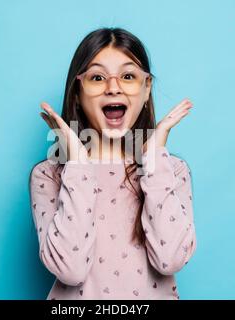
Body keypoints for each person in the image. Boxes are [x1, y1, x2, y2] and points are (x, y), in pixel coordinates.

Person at [29, 27, 196, 299]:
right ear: (77, 93)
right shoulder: (49, 175)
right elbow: (70, 270)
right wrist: (79, 165)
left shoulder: (171, 171)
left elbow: (170, 260)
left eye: (128, 76)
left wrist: (154, 158)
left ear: (146, 89)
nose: (113, 87)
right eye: (97, 77)